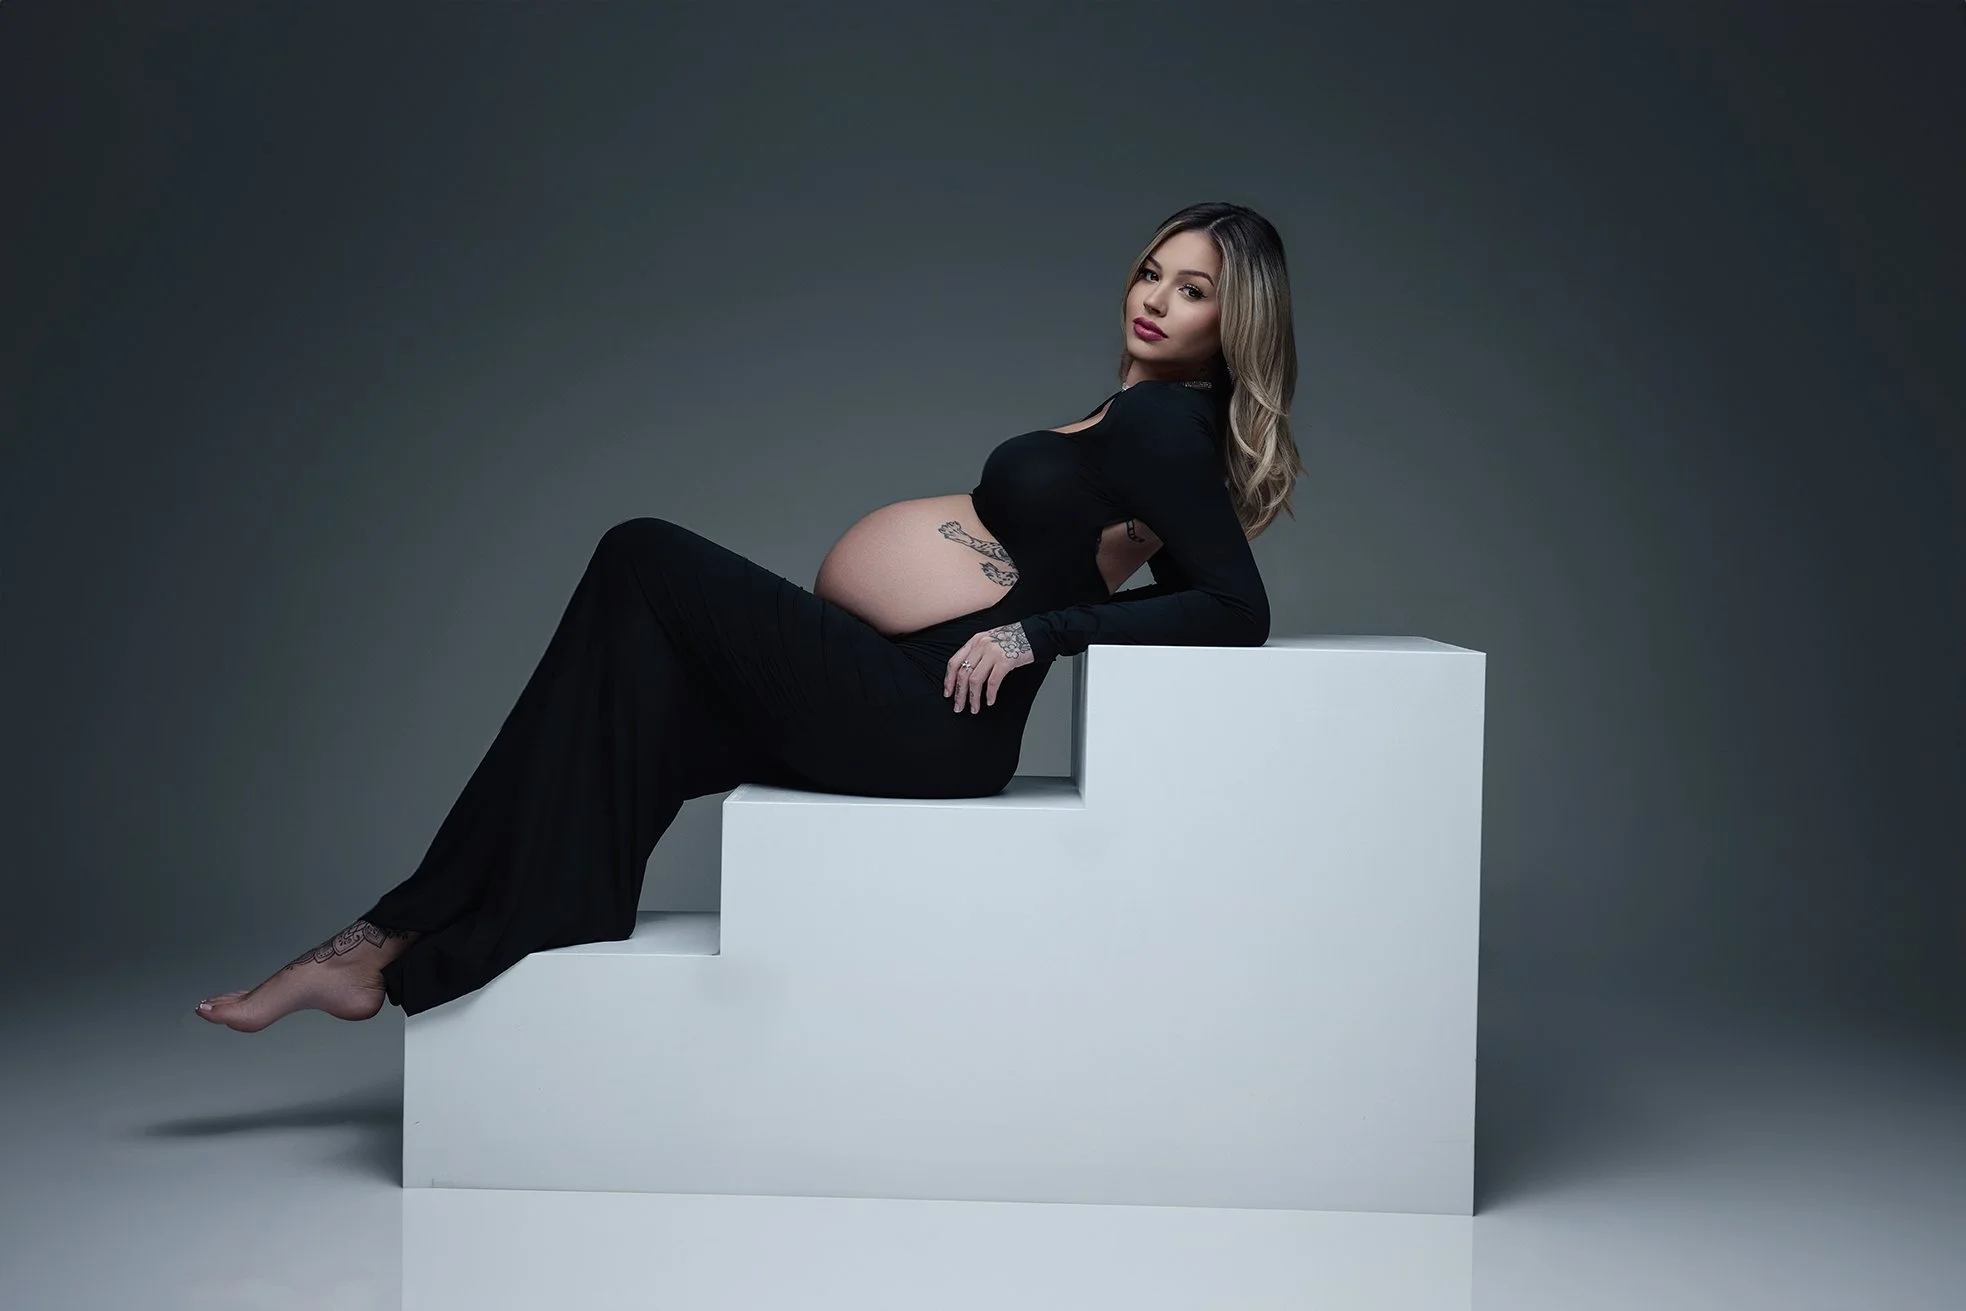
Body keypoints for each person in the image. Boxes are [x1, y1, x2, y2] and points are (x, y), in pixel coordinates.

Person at [195, 201, 1305, 1029]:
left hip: (931, 715)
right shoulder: (1138, 415)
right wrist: (1064, 598)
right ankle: (397, 946)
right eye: (1151, 273)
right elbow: (1158, 578)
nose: (1155, 300)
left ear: (1235, 318)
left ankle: (388, 935)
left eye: (1192, 291)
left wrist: (1038, 632)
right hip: (898, 692)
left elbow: (1231, 607)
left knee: (642, 556)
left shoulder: (1165, 427)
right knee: (634, 711)